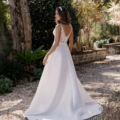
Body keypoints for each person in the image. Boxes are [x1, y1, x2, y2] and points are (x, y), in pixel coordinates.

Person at [23, 6, 103, 120]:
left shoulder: (59, 26)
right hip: (65, 53)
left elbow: (55, 44)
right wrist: (67, 54)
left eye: (56, 14)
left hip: (57, 53)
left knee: (55, 78)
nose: (55, 15)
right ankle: (66, 101)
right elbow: (71, 42)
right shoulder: (70, 26)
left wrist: (46, 55)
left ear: (61, 15)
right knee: (66, 78)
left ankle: (55, 102)